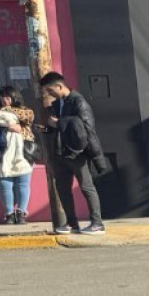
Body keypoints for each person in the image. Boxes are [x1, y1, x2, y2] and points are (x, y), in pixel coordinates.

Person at [36, 71, 105, 235]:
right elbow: (61, 127)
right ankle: (72, 223)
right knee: (62, 187)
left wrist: (60, 122)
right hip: (60, 152)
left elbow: (86, 129)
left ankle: (97, 223)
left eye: (50, 90)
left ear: (59, 86)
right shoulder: (59, 103)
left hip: (77, 152)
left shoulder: (78, 102)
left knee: (86, 187)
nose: (49, 94)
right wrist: (47, 129)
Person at [0, 86, 36, 224]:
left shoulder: (25, 112)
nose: (4, 100)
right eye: (2, 97)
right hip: (2, 153)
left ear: (14, 97)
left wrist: (13, 124)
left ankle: (21, 213)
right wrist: (9, 125)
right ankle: (9, 214)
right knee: (4, 185)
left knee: (23, 184)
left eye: (7, 97)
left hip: (23, 153)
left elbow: (27, 122)